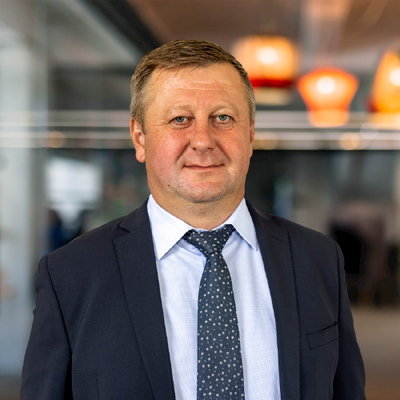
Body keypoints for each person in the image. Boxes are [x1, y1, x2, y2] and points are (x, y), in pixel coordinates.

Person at [21, 40, 365, 400]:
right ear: (140, 137)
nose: (202, 140)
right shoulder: (71, 275)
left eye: (223, 118)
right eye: (180, 119)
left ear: (250, 134)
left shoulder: (317, 259)